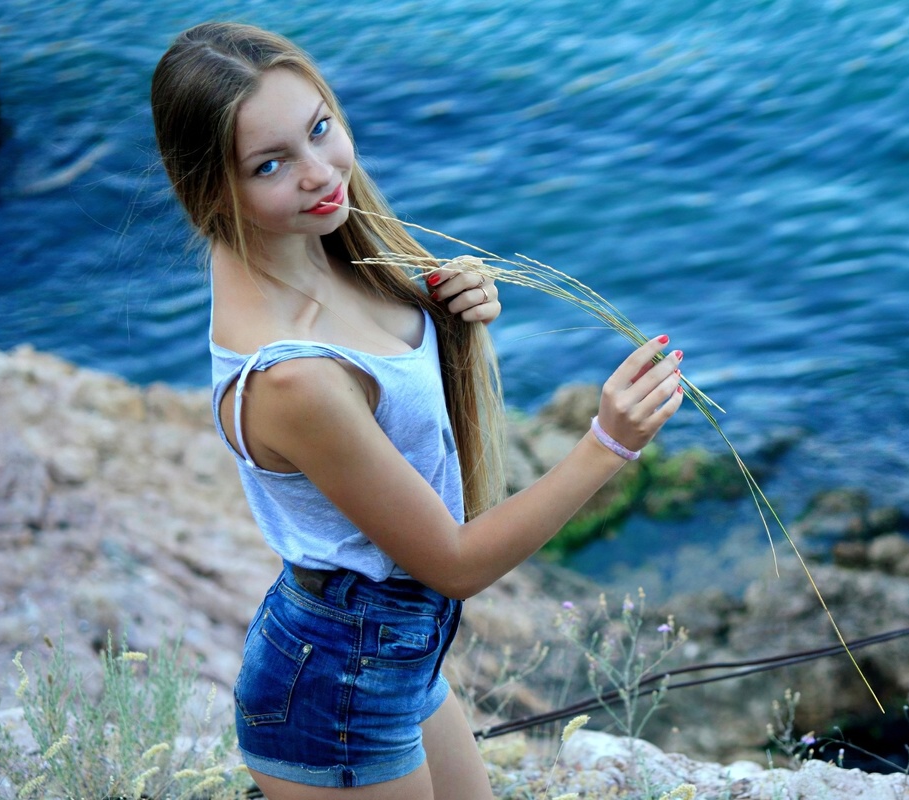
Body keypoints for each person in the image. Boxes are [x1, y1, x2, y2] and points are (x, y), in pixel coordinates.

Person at [150, 21, 684, 799]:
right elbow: (453, 564)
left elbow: (400, 382)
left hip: (391, 653)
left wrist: (451, 310)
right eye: (271, 163)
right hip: (335, 685)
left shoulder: (324, 248)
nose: (319, 172)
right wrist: (607, 443)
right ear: (210, 190)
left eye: (321, 128)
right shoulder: (292, 378)